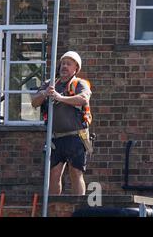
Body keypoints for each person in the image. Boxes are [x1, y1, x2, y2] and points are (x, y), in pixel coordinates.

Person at [31, 51, 92, 195]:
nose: (64, 66)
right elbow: (34, 102)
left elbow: (83, 99)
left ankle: (78, 208)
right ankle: (54, 209)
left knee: (75, 173)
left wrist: (59, 97)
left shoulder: (79, 83)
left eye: (68, 64)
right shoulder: (50, 84)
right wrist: (45, 93)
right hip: (55, 138)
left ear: (76, 68)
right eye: (63, 63)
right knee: (53, 174)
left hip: (76, 136)